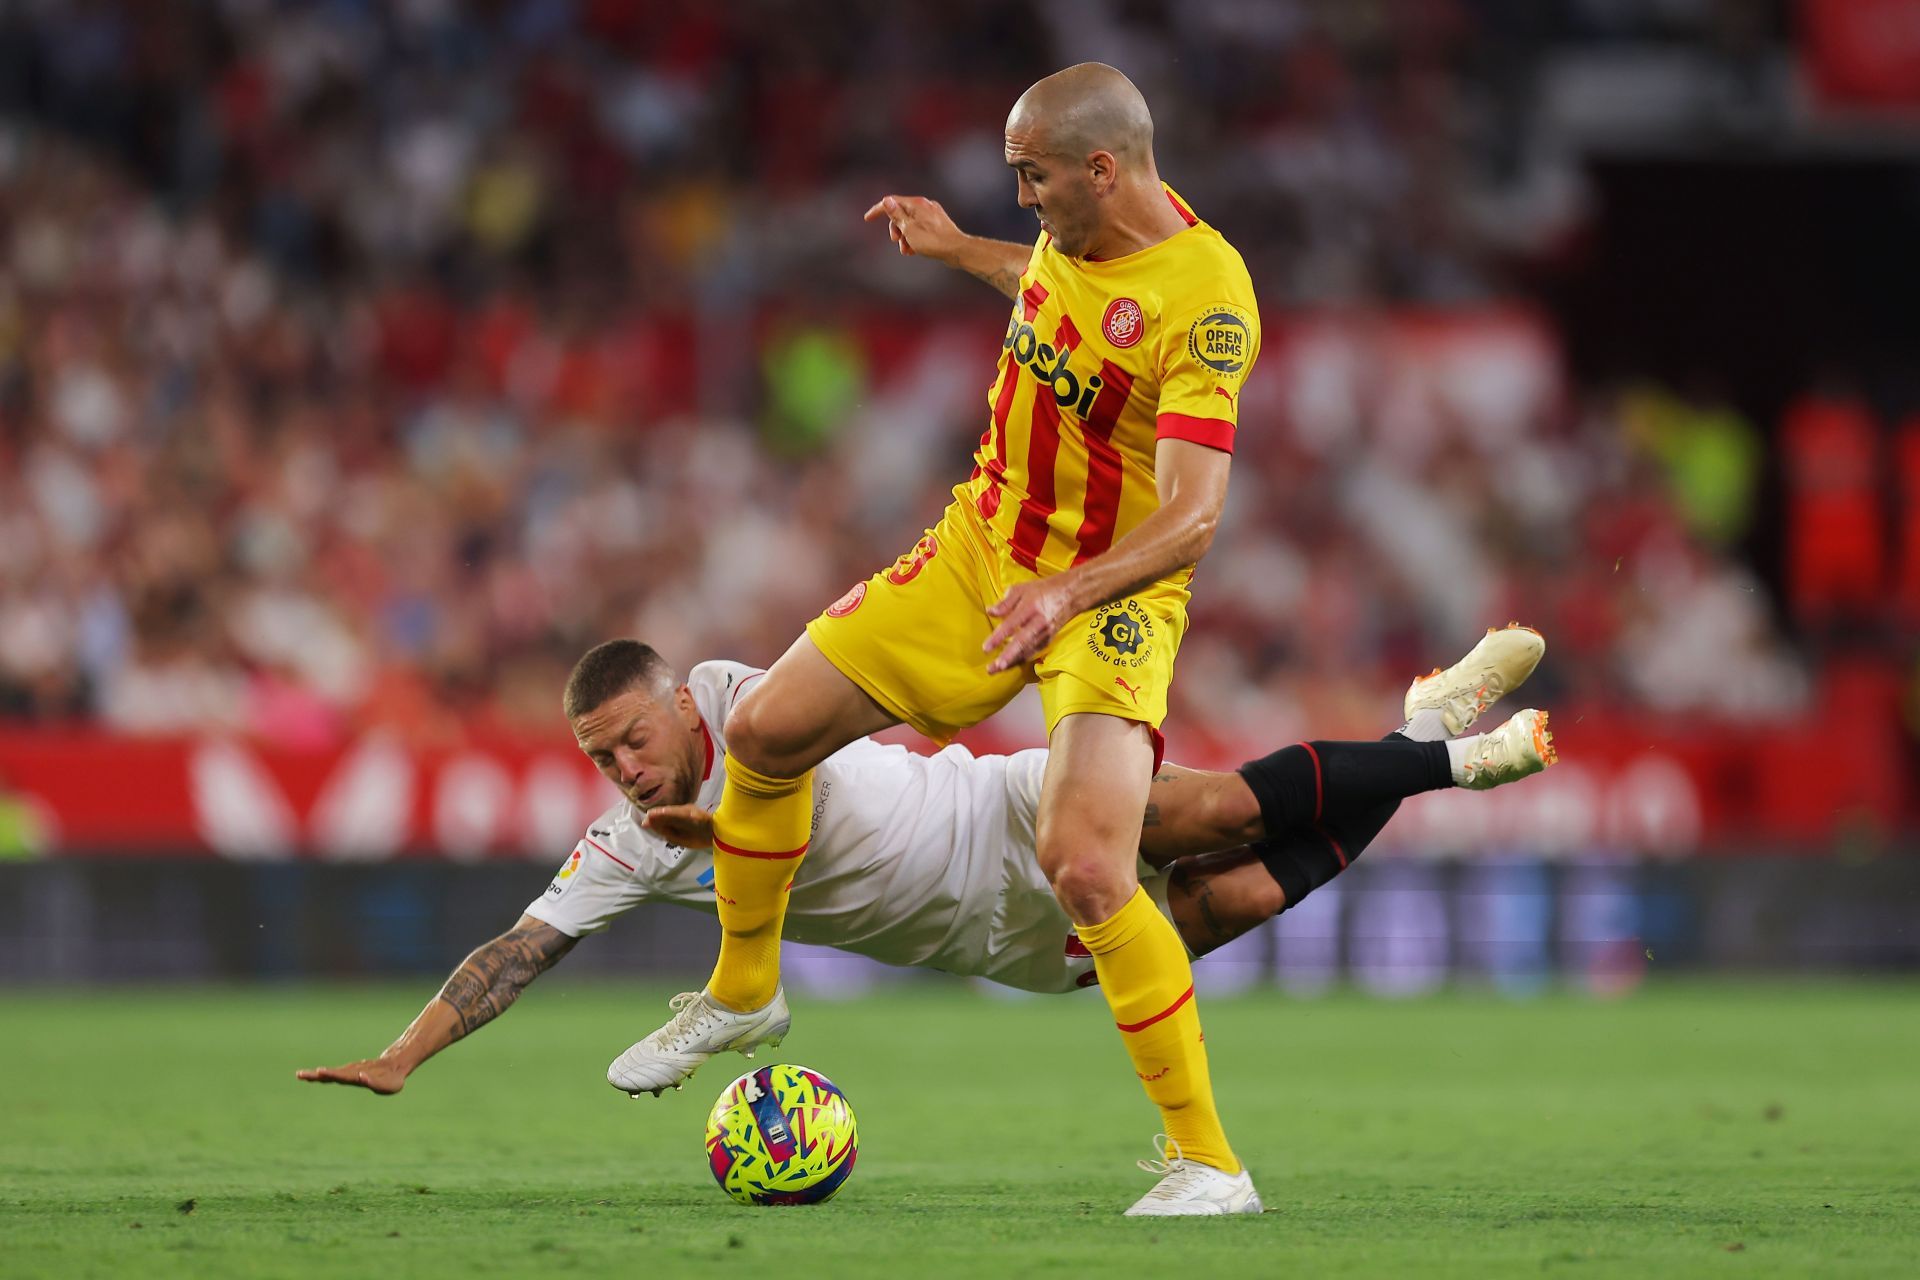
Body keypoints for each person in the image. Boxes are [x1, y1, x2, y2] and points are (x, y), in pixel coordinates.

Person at [626, 61, 1267, 1216]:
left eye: (1031, 176)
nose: (1023, 195)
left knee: (1082, 864)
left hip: (1111, 593)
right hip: (983, 549)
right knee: (765, 727)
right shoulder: (1076, 241)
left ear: (1101, 169)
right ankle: (744, 990)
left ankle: (1210, 1163)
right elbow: (1046, 280)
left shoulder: (1207, 297)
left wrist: (1071, 595)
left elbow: (1195, 512)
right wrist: (959, 244)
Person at [299, 629, 1557, 1199]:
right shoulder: (629, 840)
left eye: (631, 739)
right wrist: (403, 1055)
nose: (624, 771)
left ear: (677, 702)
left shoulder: (745, 698)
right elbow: (520, 947)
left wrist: (718, 832)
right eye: (600, 758)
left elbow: (764, 801)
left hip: (1000, 811)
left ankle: (1451, 758)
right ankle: (1423, 728)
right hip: (998, 941)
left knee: (1222, 809)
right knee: (1241, 895)